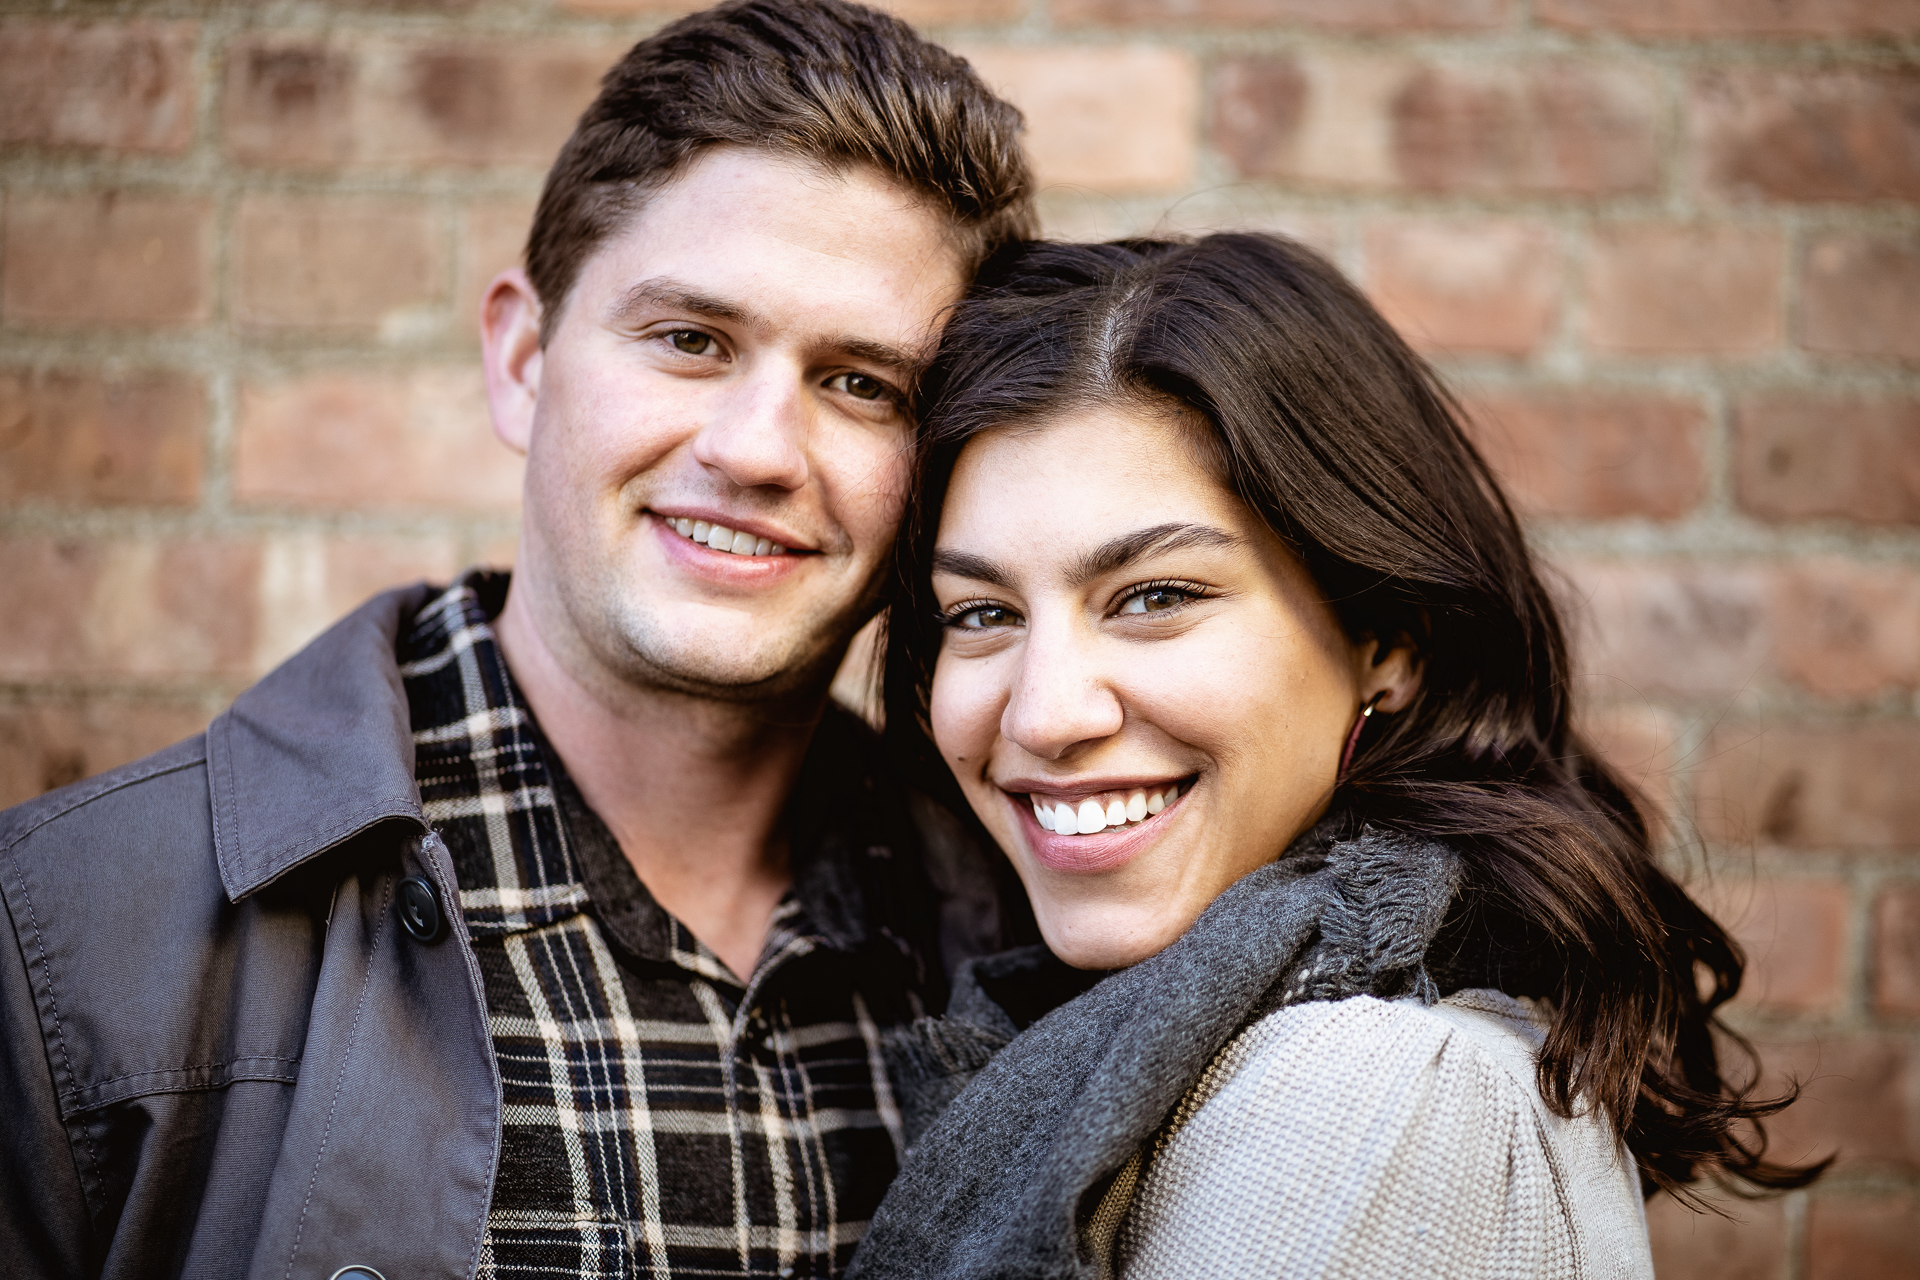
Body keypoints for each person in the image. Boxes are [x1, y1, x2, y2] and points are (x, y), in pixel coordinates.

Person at [0, 4, 1035, 1277]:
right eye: (689, 340)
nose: (758, 449)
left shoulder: (1022, 926)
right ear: (523, 356)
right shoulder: (60, 933)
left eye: (863, 383)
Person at [847, 234, 1822, 1279]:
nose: (1043, 714)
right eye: (982, 611)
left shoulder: (1378, 1095)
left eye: (1157, 596)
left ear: (1388, 638)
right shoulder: (1177, 1044)